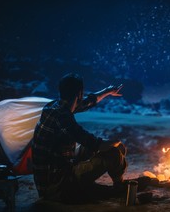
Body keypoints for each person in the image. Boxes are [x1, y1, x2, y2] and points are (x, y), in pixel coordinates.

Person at [31, 73, 127, 203]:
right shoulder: (64, 118)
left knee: (101, 147)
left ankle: (111, 186)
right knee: (113, 152)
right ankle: (119, 187)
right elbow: (93, 143)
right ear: (79, 94)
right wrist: (117, 143)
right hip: (57, 185)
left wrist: (108, 91)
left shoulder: (53, 107)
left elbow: (88, 101)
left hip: (51, 176)